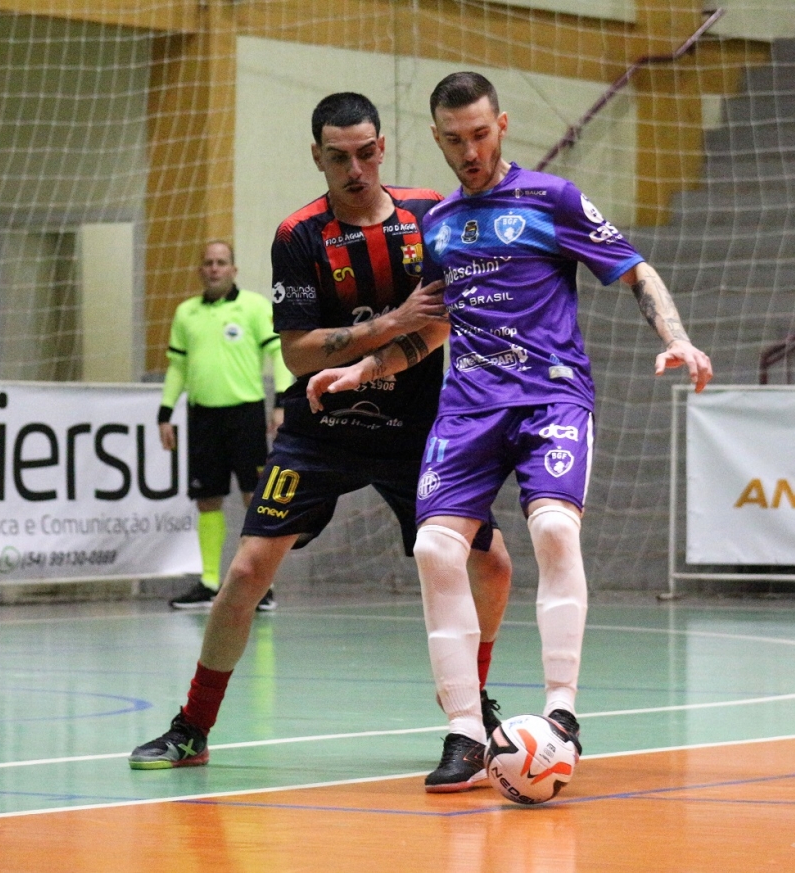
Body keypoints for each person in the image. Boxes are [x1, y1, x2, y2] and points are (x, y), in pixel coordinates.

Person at [308, 72, 712, 792]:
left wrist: (677, 337)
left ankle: (562, 713)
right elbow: (434, 324)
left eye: (480, 134)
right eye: (454, 140)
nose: (469, 150)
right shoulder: (437, 226)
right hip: (468, 408)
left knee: (554, 530)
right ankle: (464, 730)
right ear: (437, 140)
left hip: (551, 398)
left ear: (503, 125)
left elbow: (634, 269)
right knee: (435, 548)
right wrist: (364, 369)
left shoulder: (551, 199)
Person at [128, 92, 513, 770]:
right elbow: (299, 353)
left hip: (416, 431)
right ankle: (192, 726)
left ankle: (472, 707)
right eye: (338, 157)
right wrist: (384, 327)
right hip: (319, 433)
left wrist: (391, 351)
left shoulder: (429, 214)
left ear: (383, 148)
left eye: (366, 153)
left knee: (493, 562)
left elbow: (444, 321)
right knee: (245, 572)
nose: (355, 168)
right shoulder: (299, 236)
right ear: (318, 157)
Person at [160, 240, 291, 612]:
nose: (214, 268)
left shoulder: (254, 307)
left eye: (221, 262)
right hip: (203, 416)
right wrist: (164, 412)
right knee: (207, 498)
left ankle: (260, 584)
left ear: (233, 269)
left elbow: (278, 354)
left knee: (255, 496)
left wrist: (281, 402)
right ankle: (209, 582)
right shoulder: (186, 313)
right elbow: (177, 367)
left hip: (245, 414)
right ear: (200, 270)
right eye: (208, 263)